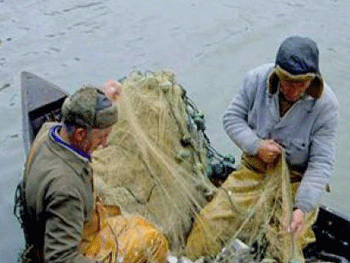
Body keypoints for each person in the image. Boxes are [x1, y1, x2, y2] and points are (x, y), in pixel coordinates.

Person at [184, 36, 339, 260]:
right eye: (287, 82)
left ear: (312, 81)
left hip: (296, 180)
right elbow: (231, 118)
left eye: (300, 84)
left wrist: (301, 209)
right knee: (210, 223)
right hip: (255, 169)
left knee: (288, 242)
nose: (293, 91)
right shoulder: (256, 79)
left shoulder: (326, 106)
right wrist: (256, 146)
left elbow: (321, 163)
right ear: (277, 75)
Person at [16, 86, 119, 262]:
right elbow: (60, 258)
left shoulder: (48, 130)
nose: (105, 143)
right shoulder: (66, 188)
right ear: (80, 134)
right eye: (102, 137)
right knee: (152, 239)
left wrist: (104, 99)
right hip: (78, 247)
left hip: (53, 231)